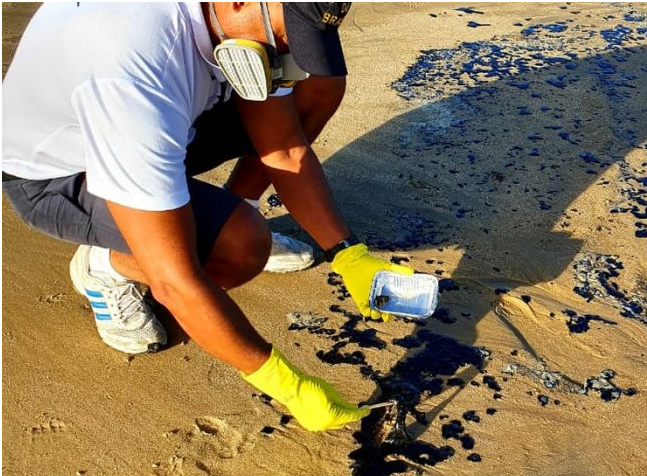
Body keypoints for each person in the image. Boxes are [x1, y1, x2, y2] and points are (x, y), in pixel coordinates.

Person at [2, 2, 413, 432]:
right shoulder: (131, 70)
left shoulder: (245, 26)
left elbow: (287, 149)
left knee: (318, 85)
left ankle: (231, 206)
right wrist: (289, 386)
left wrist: (348, 254)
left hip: (159, 120)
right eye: (286, 34)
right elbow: (175, 282)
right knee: (238, 248)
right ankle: (106, 266)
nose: (287, 50)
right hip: (58, 174)